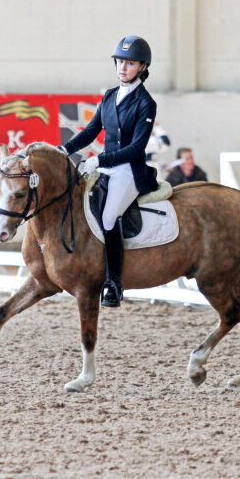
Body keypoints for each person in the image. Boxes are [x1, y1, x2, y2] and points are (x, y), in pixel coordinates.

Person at [58, 36, 158, 308]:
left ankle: (114, 283)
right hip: (105, 167)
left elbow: (137, 148)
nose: (123, 68)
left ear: (142, 67)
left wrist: (101, 159)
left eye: (130, 63)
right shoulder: (110, 96)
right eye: (120, 62)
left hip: (128, 170)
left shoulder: (146, 103)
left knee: (110, 217)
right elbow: (91, 131)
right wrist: (64, 150)